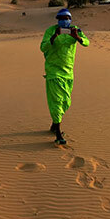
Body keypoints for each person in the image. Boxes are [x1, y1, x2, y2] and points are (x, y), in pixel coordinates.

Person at [40, 8, 89, 144]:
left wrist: (77, 37)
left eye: (66, 18)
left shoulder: (75, 29)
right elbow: (43, 47)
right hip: (53, 72)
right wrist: (54, 37)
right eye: (61, 18)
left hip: (68, 73)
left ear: (71, 19)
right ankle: (58, 134)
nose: (64, 21)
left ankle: (54, 124)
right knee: (56, 101)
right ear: (57, 20)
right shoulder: (51, 31)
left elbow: (86, 42)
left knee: (65, 102)